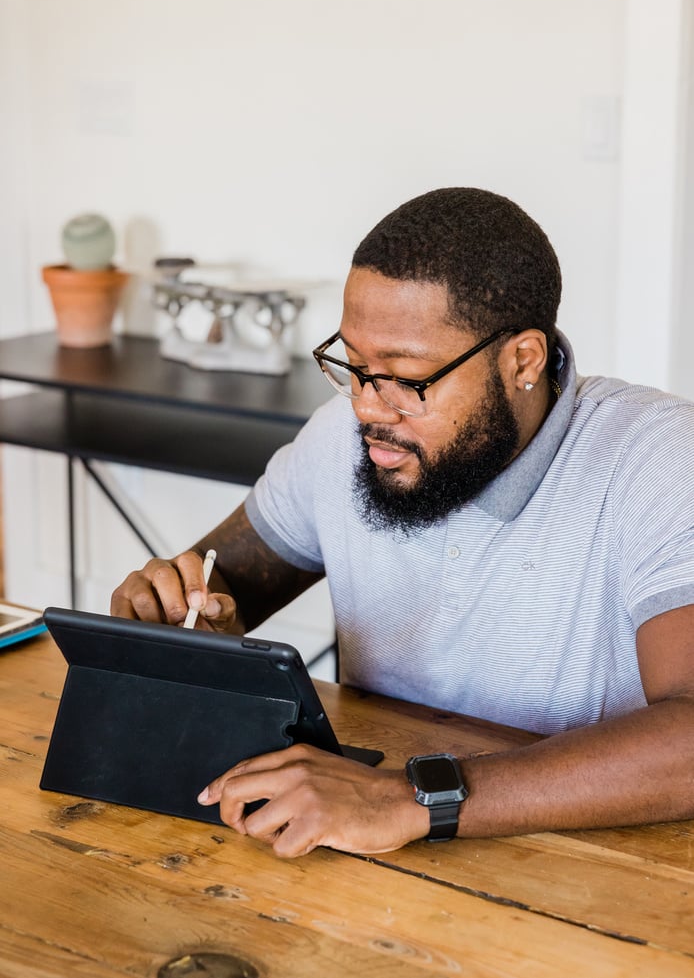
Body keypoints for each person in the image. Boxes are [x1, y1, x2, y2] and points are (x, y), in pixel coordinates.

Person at [112, 187, 694, 858]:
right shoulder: (344, 436)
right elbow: (220, 586)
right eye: (353, 363)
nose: (366, 405)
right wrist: (182, 620)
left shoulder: (658, 461)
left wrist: (413, 796)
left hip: (590, 867)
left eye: (407, 378)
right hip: (355, 852)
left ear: (524, 361)